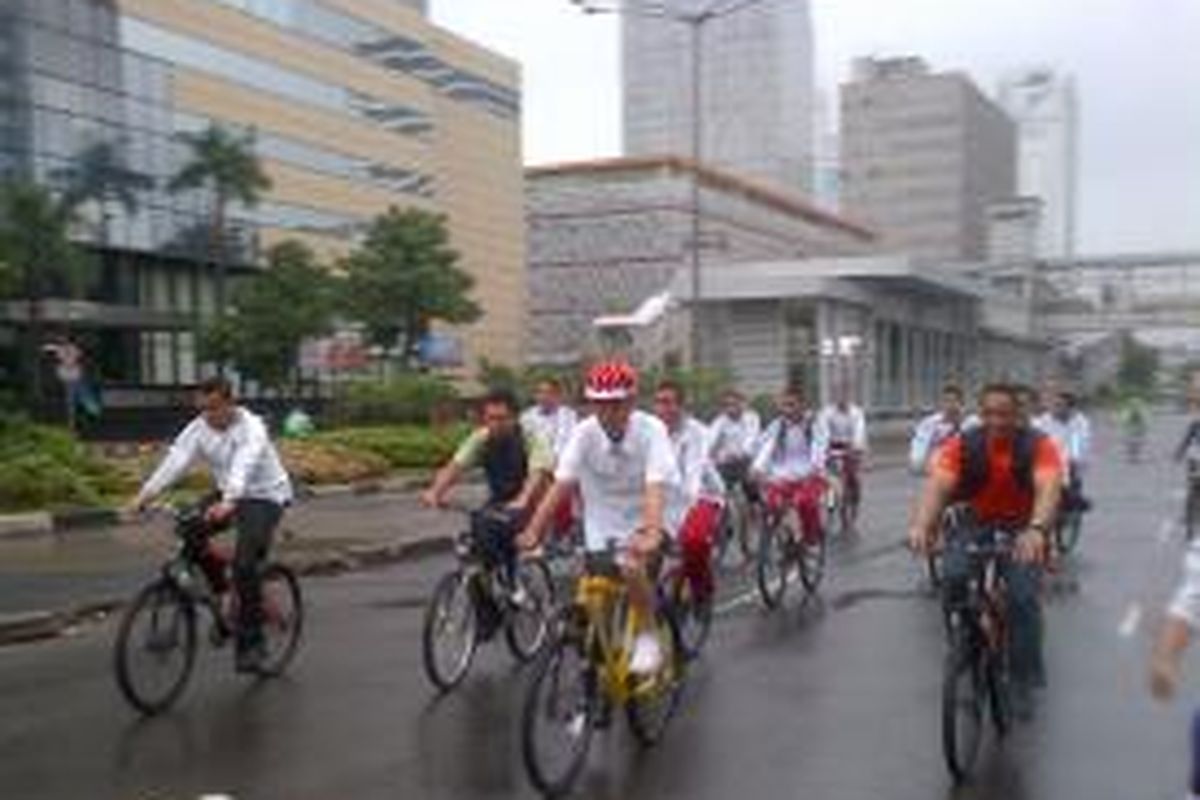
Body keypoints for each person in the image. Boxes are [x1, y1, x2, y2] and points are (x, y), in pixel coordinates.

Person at [909, 383, 1064, 719]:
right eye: (989, 413)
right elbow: (938, 487)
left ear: (1018, 415)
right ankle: (967, 640)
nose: (997, 421)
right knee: (952, 577)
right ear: (980, 415)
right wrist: (923, 525)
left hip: (1023, 527)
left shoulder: (1039, 445)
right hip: (975, 522)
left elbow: (1049, 488)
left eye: (1004, 414)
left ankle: (1024, 679)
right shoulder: (964, 444)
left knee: (1022, 598)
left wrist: (1037, 530)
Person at [519, 361, 679, 675]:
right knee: (596, 595)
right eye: (599, 404)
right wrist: (533, 530)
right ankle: (606, 661)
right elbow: (561, 485)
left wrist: (650, 530)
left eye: (616, 404)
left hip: (650, 513)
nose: (607, 411)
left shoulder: (652, 430)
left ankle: (647, 637)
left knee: (632, 566)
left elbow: (655, 486)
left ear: (632, 401)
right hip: (602, 521)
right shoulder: (583, 433)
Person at [130, 376, 293, 674]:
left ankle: (251, 644)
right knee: (189, 530)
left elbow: (245, 462)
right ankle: (224, 596)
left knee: (245, 565)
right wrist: (146, 494)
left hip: (265, 496)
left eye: (215, 408)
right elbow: (176, 461)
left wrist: (229, 501)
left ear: (231, 402)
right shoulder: (198, 429)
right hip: (228, 494)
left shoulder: (252, 427)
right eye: (204, 409)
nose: (210, 416)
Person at [422, 389, 554, 597]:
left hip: (533, 504)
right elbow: (456, 466)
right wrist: (435, 492)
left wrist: (523, 500)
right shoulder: (481, 438)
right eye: (490, 418)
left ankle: (513, 584)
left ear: (514, 418)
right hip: (499, 502)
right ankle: (487, 608)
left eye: (502, 418)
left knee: (506, 539)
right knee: (479, 546)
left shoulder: (531, 438)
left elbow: (537, 474)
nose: (496, 424)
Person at [653, 380, 725, 602]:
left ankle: (701, 587)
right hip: (663, 497)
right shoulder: (651, 430)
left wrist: (677, 521)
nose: (662, 408)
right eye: (658, 403)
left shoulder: (698, 432)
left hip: (703, 496)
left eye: (668, 402)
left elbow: (692, 476)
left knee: (693, 542)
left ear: (681, 406)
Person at [751, 385, 829, 548]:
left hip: (808, 474)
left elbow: (819, 445)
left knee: (806, 503)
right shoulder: (778, 425)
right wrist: (758, 467)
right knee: (772, 503)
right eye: (784, 405)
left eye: (791, 405)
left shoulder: (814, 423)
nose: (787, 410)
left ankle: (810, 537)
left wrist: (816, 466)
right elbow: (767, 445)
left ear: (802, 405)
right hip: (782, 475)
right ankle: (785, 534)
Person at [1033, 389, 1092, 515]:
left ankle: (1074, 501)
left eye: (1060, 405)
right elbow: (1035, 439)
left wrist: (1073, 459)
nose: (1055, 408)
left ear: (1070, 408)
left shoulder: (1080, 422)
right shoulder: (1042, 421)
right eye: (1054, 405)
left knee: (1071, 473)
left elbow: (1079, 442)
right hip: (1046, 460)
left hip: (1070, 462)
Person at [818, 384, 868, 529]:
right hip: (832, 449)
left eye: (844, 395)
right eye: (838, 395)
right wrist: (824, 449)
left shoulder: (856, 412)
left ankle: (854, 503)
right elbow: (823, 431)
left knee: (855, 478)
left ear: (848, 397)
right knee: (831, 482)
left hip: (850, 449)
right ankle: (831, 506)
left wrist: (857, 448)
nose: (841, 399)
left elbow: (860, 431)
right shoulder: (826, 412)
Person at [909, 384, 977, 475]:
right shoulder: (929, 423)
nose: (950, 405)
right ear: (941, 404)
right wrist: (919, 461)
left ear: (962, 403)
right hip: (938, 464)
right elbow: (919, 446)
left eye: (954, 401)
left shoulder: (972, 423)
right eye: (946, 401)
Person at [708, 388, 763, 499]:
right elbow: (710, 442)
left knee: (751, 482)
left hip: (748, 462)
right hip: (726, 463)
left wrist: (738, 454)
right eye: (726, 405)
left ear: (741, 404)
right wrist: (716, 456)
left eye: (734, 404)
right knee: (715, 485)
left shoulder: (752, 418)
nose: (730, 408)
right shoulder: (719, 421)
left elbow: (751, 440)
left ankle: (757, 508)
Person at [520, 377, 578, 458]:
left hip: (562, 461)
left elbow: (565, 440)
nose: (544, 396)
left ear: (558, 395)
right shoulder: (527, 416)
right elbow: (525, 441)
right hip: (534, 461)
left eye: (549, 392)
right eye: (540, 392)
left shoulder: (568, 415)